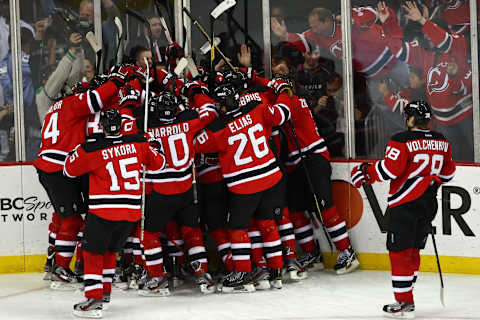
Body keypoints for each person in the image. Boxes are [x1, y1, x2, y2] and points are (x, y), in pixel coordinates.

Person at [350, 100, 455, 318]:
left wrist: (365, 172)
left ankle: (404, 302)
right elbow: (447, 174)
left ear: (411, 119)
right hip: (428, 204)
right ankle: (407, 295)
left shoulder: (401, 140)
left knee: (399, 253)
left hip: (404, 204)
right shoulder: (442, 140)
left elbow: (390, 170)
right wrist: (429, 180)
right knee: (414, 250)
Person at [34, 64, 136, 288]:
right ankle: (61, 267)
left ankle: (54, 262)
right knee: (72, 220)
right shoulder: (75, 104)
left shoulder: (56, 106)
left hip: (52, 166)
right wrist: (118, 80)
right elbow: (97, 99)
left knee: (63, 217)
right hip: (58, 167)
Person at [64, 108, 166, 318]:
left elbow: (68, 170)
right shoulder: (137, 143)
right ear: (121, 125)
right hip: (130, 211)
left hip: (103, 210)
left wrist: (78, 150)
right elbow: (159, 163)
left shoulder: (93, 148)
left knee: (93, 253)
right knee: (111, 252)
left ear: (101, 126)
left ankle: (94, 298)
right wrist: (153, 144)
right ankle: (105, 293)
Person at [195, 81, 291, 292]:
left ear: (221, 106)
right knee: (267, 224)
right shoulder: (257, 108)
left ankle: (243, 273)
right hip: (270, 177)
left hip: (244, 185)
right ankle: (276, 273)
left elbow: (196, 143)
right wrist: (284, 91)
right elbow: (283, 113)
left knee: (238, 228)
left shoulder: (218, 128)